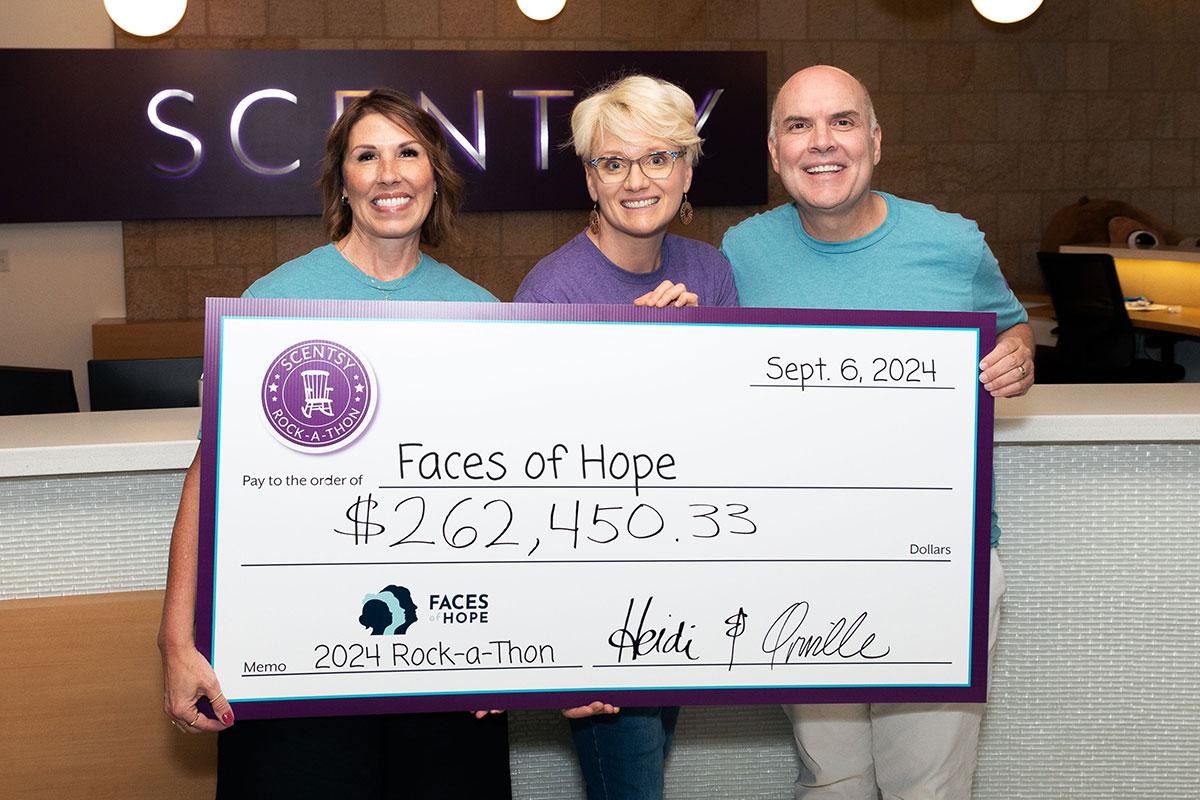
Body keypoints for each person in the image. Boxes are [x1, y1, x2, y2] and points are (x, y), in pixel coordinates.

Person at [157, 88, 510, 799]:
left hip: (442, 662)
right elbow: (211, 476)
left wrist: (514, 651)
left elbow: (505, 499)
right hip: (296, 655)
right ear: (342, 180)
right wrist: (175, 642)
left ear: (434, 174)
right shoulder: (272, 306)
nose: (389, 174)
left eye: (409, 153)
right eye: (367, 156)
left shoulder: (484, 315)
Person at [720, 65, 1033, 800]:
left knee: (929, 784)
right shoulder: (740, 251)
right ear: (773, 150)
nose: (821, 143)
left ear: (876, 139)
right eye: (798, 126)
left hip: (940, 556)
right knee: (833, 779)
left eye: (843, 122)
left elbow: (1013, 330)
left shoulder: (952, 243)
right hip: (799, 557)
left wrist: (1017, 359)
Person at [514, 74, 738, 799]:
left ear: (687, 168)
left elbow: (732, 427)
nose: (637, 180)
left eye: (658, 158)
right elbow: (533, 469)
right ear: (590, 177)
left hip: (684, 575)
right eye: (613, 163)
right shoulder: (552, 293)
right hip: (593, 592)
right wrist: (631, 355)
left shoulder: (711, 269)